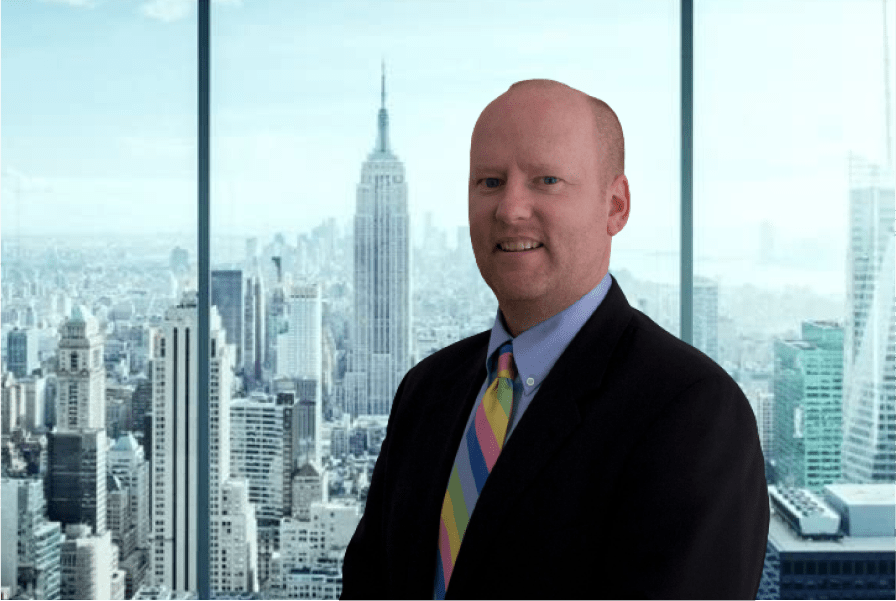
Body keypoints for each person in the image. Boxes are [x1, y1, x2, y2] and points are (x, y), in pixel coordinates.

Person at [341, 78, 769, 600]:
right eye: (490, 182)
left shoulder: (694, 412)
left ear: (616, 206)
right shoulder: (427, 389)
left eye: (546, 180)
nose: (510, 209)